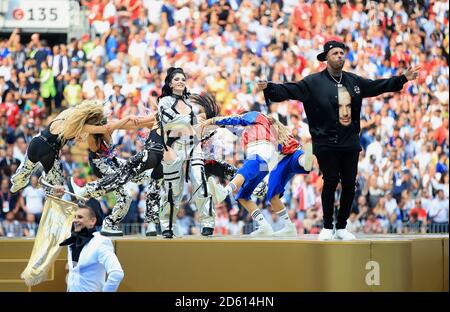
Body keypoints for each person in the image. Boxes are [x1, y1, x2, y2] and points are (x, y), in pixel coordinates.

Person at [257, 40, 420, 240]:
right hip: (325, 142)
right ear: (326, 58)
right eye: (335, 53)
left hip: (350, 141)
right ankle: (327, 226)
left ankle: (342, 227)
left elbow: (377, 86)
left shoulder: (353, 81)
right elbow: (290, 90)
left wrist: (402, 78)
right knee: (331, 180)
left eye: (342, 53)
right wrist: (269, 87)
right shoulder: (312, 82)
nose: (340, 56)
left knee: (350, 184)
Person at [205, 111, 311, 236]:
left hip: (277, 155)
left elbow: (235, 119)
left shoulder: (255, 117)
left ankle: (224, 191)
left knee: (292, 159)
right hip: (274, 163)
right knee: (250, 195)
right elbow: (232, 128)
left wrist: (213, 120)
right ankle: (271, 227)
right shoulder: (257, 130)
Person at [10, 99, 139, 194]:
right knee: (57, 189)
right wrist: (127, 118)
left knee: (24, 171)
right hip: (49, 151)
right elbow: (106, 129)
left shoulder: (67, 113)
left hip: (36, 142)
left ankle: (18, 183)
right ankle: (46, 185)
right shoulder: (82, 126)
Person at [60, 202, 124, 292]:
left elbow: (117, 273)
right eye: (75, 217)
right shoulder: (72, 240)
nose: (75, 220)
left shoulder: (101, 242)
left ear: (92, 221)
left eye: (80, 217)